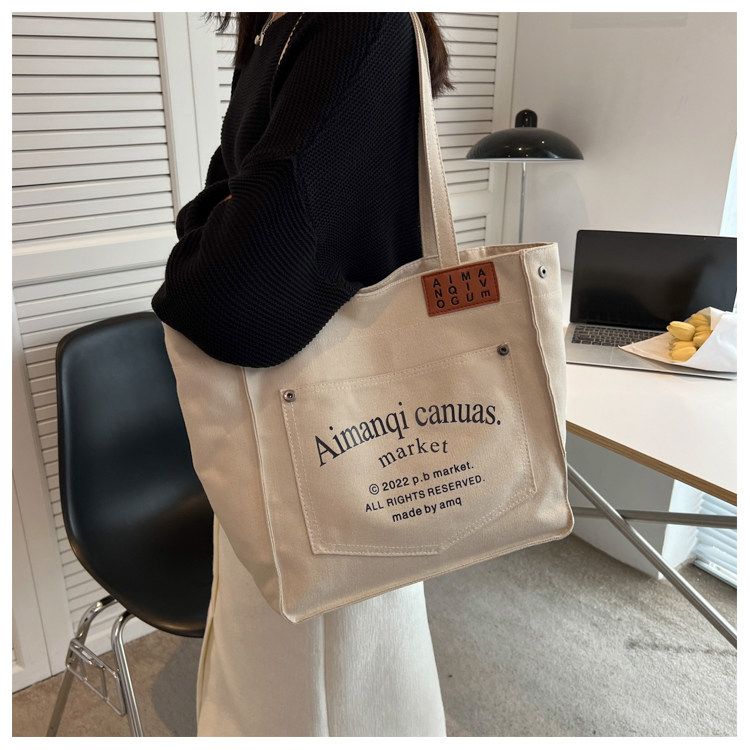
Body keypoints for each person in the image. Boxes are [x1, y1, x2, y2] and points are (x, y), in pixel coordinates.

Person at [152, 12, 453, 736]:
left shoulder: (356, 23)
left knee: (323, 688)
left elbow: (235, 289)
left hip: (328, 443)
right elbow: (225, 198)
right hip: (299, 430)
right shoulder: (275, 28)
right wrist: (220, 225)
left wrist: (209, 241)